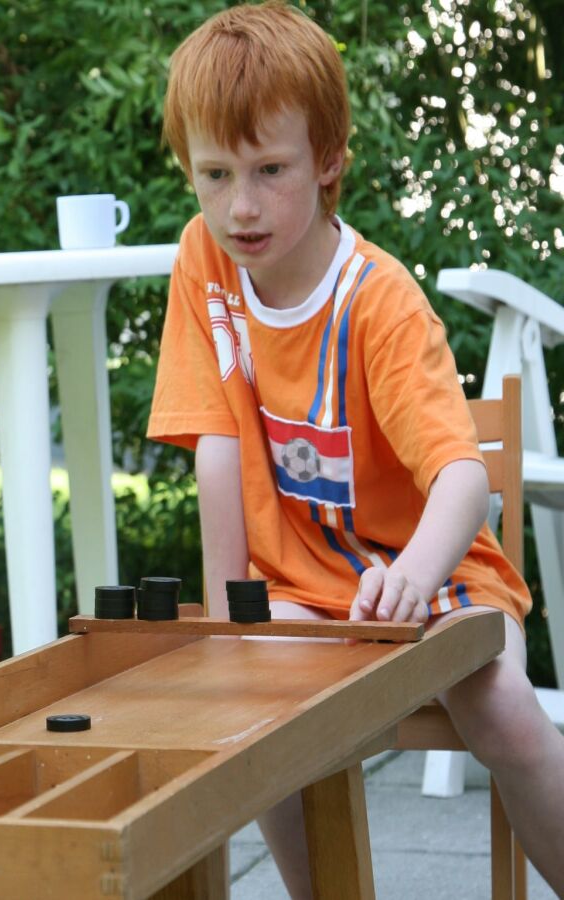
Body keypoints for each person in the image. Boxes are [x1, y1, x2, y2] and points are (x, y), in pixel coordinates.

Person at [147, 3, 564, 896]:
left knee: (505, 714)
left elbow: (461, 476)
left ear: (328, 159)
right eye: (214, 174)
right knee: (256, 713)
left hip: (438, 574)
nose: (240, 206)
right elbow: (215, 447)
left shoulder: (379, 300)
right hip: (299, 586)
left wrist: (414, 573)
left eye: (269, 170)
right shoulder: (203, 260)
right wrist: (230, 624)